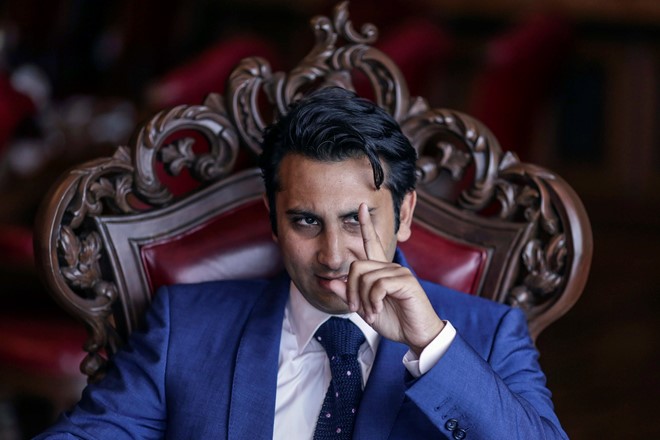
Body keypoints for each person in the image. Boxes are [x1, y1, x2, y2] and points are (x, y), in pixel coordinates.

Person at [36, 87, 567, 439]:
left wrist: (429, 345)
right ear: (273, 219)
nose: (333, 256)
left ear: (404, 214)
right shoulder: (184, 326)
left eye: (356, 220)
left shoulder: (488, 335)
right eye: (306, 221)